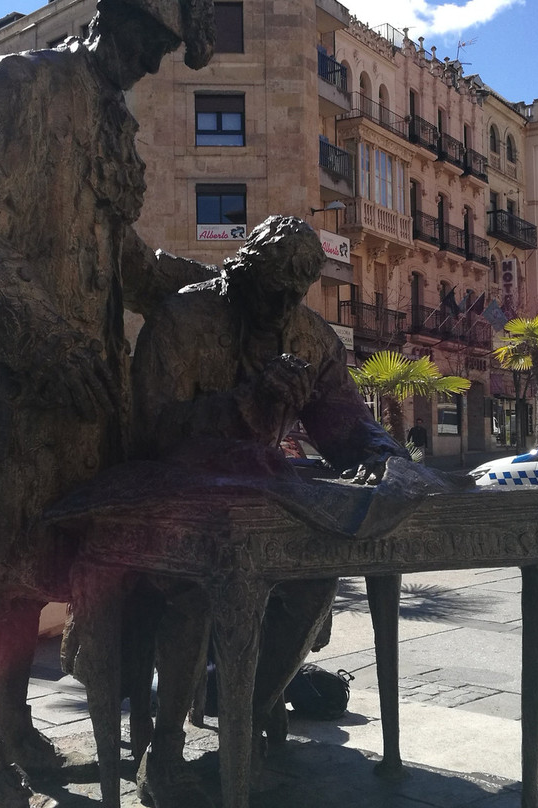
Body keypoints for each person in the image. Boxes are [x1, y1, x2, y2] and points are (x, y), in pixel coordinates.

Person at [0, 1, 215, 805]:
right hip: (11, 390)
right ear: (114, 19)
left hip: (88, 402)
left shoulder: (112, 123)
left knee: (35, 580)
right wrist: (44, 340)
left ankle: (16, 728)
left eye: (164, 52)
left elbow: (123, 258)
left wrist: (216, 286)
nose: (151, 64)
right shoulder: (19, 84)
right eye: (148, 43)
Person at [127, 216, 413, 805]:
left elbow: (348, 422)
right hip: (168, 504)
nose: (282, 306)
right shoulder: (183, 319)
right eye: (271, 291)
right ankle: (166, 749)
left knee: (314, 578)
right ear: (241, 271)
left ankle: (248, 710)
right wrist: (245, 405)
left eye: (294, 294)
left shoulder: (308, 337)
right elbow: (152, 430)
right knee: (193, 593)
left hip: (259, 506)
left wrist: (383, 457)